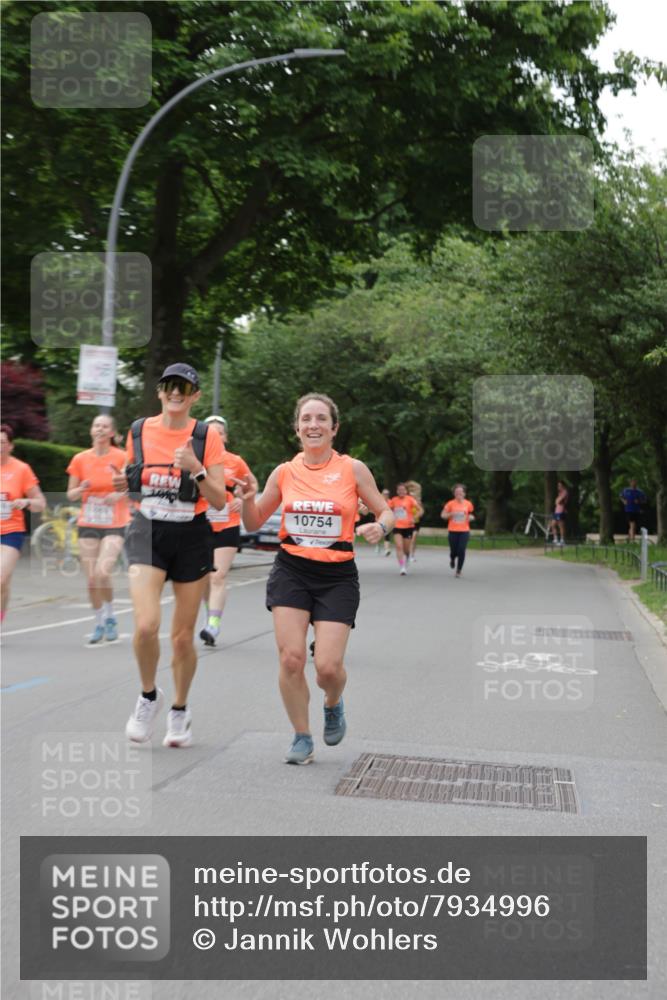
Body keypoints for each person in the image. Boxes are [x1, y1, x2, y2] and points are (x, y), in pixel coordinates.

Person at [238, 392, 393, 765]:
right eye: (306, 419)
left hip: (336, 576)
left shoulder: (352, 469)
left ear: (334, 428)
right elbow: (254, 521)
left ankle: (333, 702)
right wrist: (246, 498)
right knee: (291, 659)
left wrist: (381, 528)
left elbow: (385, 510)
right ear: (297, 428)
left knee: (327, 668)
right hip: (292, 569)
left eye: (321, 418)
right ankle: (302, 737)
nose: (313, 425)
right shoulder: (284, 472)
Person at [111, 364, 226, 748]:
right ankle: (148, 697)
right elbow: (134, 482)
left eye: (185, 388)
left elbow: (219, 498)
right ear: (161, 392)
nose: (176, 393)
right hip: (147, 531)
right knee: (145, 626)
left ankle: (179, 709)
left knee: (181, 639)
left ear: (194, 395)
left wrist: (195, 470)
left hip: (191, 535)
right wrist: (124, 483)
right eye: (170, 387)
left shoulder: (205, 435)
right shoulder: (140, 430)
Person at [66, 414, 130, 644]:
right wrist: (82, 488)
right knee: (92, 579)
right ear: (91, 431)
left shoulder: (122, 457)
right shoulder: (80, 459)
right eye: (96, 425)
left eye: (104, 426)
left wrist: (119, 493)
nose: (100, 429)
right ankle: (99, 621)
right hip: (89, 523)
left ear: (112, 432)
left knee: (103, 572)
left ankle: (111, 616)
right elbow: (70, 494)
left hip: (115, 523)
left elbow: (133, 487)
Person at [199, 415, 257, 647]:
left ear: (225, 437)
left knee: (218, 575)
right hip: (199, 526)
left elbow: (252, 486)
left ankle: (213, 623)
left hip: (227, 525)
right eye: (211, 432)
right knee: (204, 578)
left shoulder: (235, 462)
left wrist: (242, 501)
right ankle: (210, 614)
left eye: (220, 432)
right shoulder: (196, 460)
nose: (216, 436)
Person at [0, 424, 46, 626]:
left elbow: (40, 503)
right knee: (4, 583)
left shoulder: (21, 469)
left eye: (2, 442)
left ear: (11, 446)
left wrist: (26, 502)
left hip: (11, 532)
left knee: (1, 579)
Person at [388, 483, 423, 575]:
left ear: (406, 491)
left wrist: (414, 518)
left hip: (408, 527)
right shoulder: (393, 500)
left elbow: (420, 510)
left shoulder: (410, 499)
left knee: (406, 549)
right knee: (399, 546)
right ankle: (402, 566)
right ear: (397, 491)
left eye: (403, 490)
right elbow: (387, 509)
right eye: (399, 490)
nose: (401, 492)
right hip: (397, 527)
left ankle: (407, 556)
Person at [441, 483, 475, 577]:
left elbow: (471, 515)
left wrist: (471, 517)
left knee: (461, 550)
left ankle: (458, 570)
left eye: (461, 492)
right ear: (454, 493)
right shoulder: (450, 504)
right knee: (453, 551)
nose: (459, 493)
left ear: (464, 493)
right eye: (457, 492)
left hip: (464, 531)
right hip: (453, 530)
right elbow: (442, 515)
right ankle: (452, 559)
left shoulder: (468, 504)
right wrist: (449, 515)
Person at [619, 478, 647, 542]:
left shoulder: (640, 492)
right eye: (632, 482)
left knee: (633, 526)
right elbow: (621, 496)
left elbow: (645, 500)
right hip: (628, 510)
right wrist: (624, 501)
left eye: (635, 482)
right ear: (630, 483)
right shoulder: (626, 490)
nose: (634, 483)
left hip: (636, 510)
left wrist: (639, 501)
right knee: (632, 524)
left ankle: (629, 538)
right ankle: (632, 540)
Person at [405, 480, 423, 563]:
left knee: (414, 538)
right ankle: (408, 554)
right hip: (408, 522)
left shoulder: (418, 499)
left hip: (416, 521)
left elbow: (422, 511)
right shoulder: (406, 499)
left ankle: (412, 555)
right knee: (410, 539)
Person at [550, 480, 568, 546]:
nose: (558, 487)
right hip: (557, 511)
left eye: (560, 485)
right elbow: (556, 501)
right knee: (553, 524)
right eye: (558, 485)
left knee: (561, 526)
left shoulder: (565, 492)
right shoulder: (560, 493)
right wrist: (557, 500)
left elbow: (558, 501)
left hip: (561, 511)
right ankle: (555, 539)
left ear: (563, 486)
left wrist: (557, 500)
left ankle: (562, 540)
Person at [380, 488, 392, 556]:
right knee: (381, 535)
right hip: (380, 520)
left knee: (387, 534)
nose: (386, 495)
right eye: (385, 494)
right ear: (382, 494)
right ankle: (378, 544)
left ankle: (387, 549)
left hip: (388, 520)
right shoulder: (379, 502)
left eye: (387, 494)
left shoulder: (391, 502)